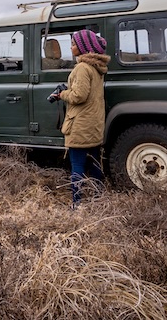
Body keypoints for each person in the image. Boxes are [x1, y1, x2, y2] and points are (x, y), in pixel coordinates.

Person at [51, 29, 110, 206]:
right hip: (93, 122)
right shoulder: (96, 67)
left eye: (74, 44)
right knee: (93, 162)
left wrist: (62, 94)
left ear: (84, 47)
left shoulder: (82, 68)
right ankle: (99, 197)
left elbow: (79, 96)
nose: (71, 47)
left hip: (80, 123)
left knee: (77, 164)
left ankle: (77, 204)